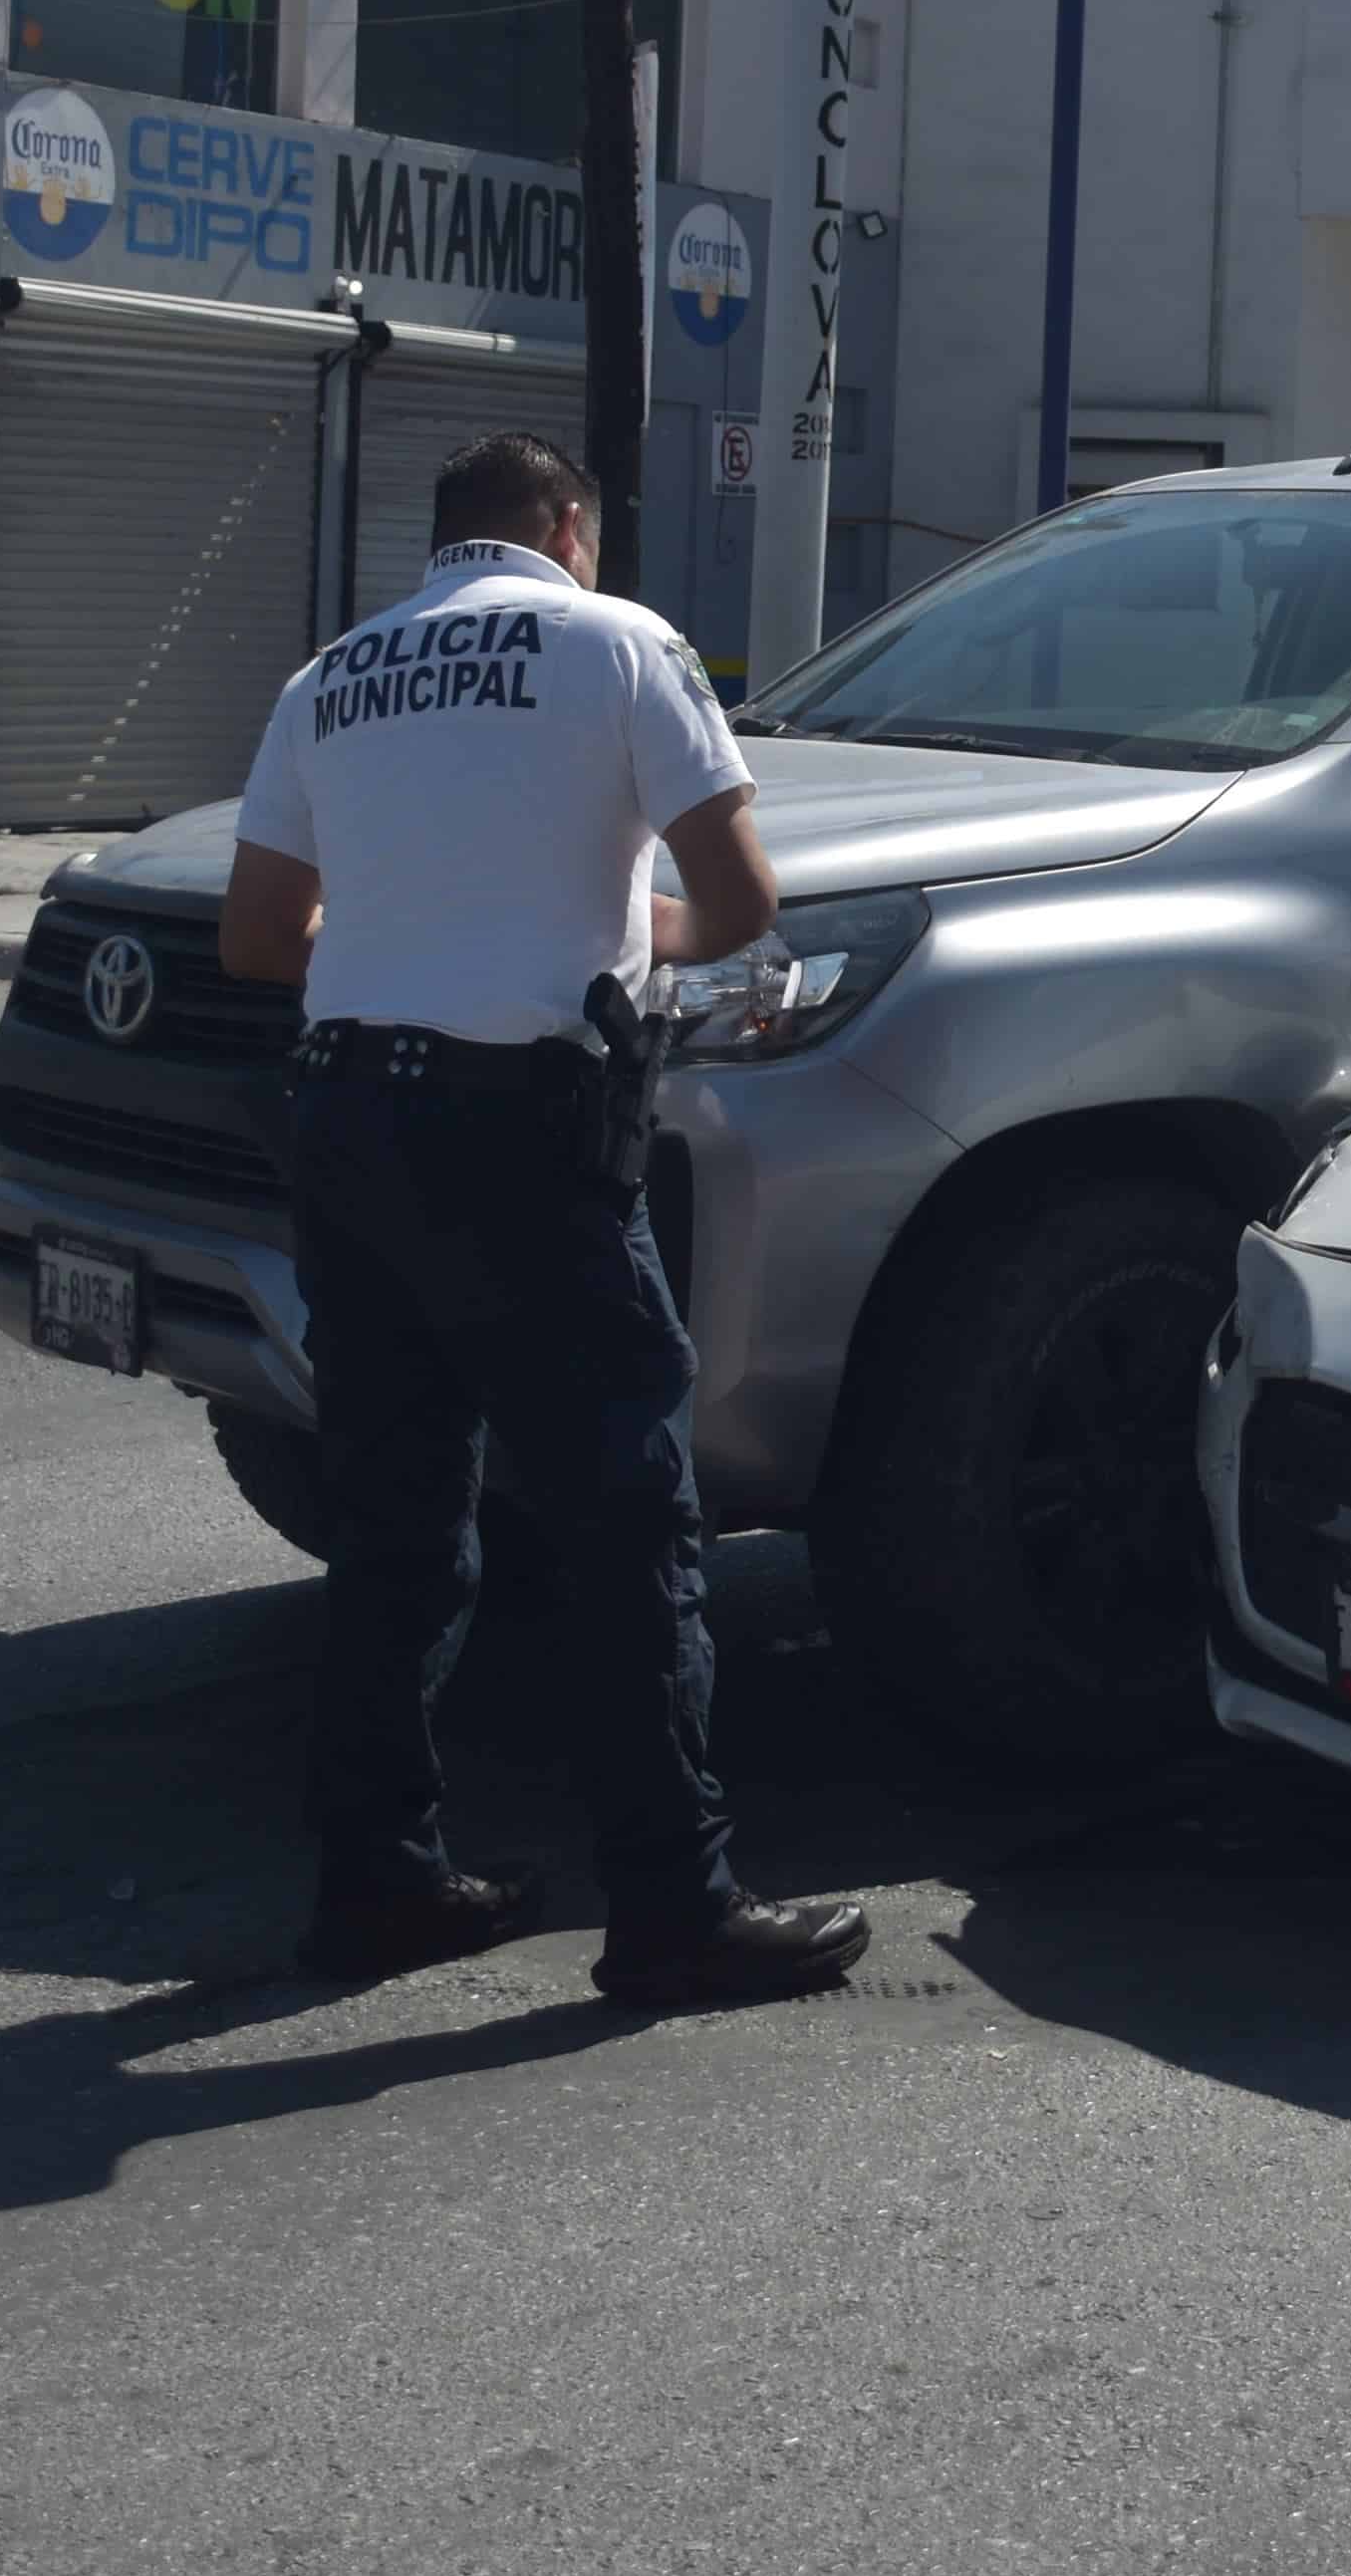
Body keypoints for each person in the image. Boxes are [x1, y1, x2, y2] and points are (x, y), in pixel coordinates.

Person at [218, 430, 867, 2008]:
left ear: (443, 544)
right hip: (518, 1127)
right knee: (624, 1522)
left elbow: (256, 937)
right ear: (568, 529)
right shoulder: (616, 639)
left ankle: (373, 1884)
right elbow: (743, 903)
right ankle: (672, 1909)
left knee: (396, 1529)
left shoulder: (334, 674)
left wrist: (413, 934)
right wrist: (633, 925)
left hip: (346, 1117)